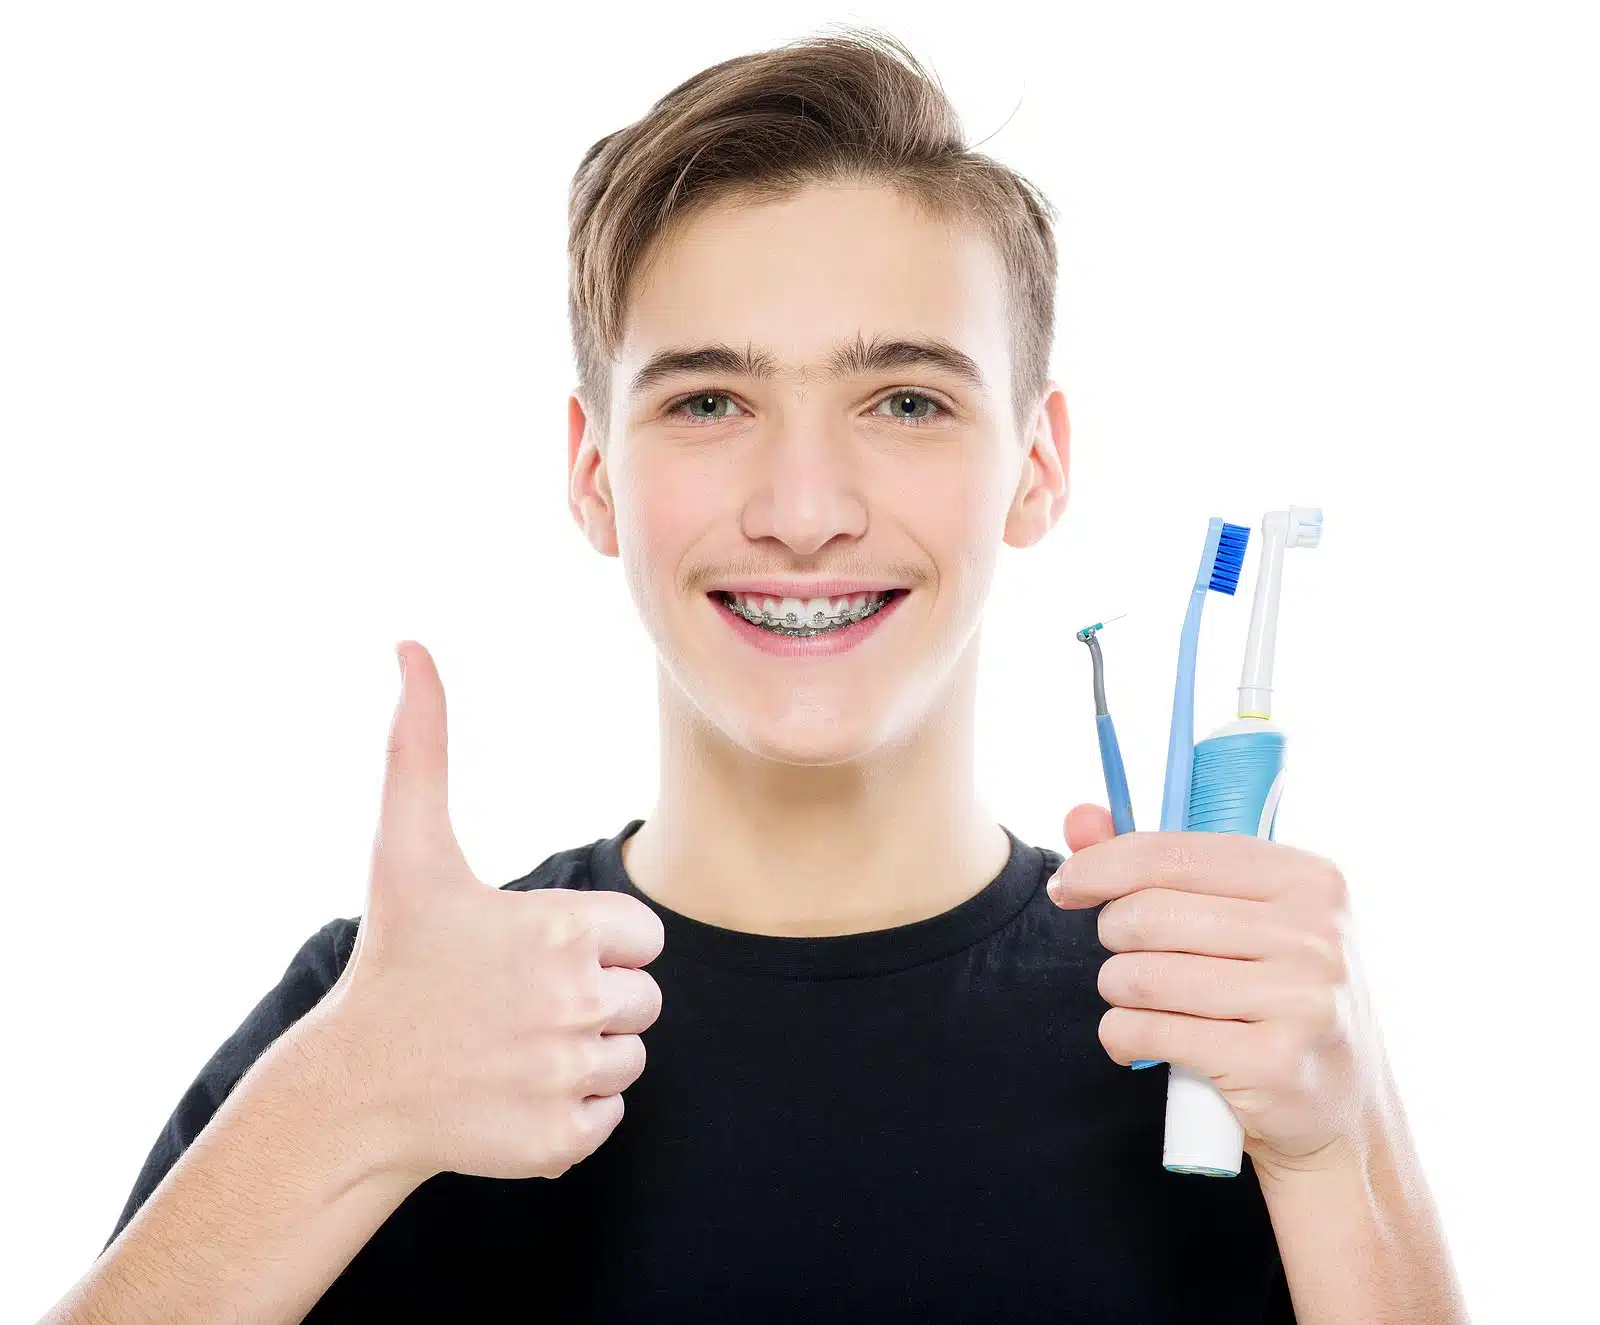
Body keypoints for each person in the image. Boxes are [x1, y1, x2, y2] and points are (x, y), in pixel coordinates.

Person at [44, 24, 1468, 1325]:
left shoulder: (1218, 1041)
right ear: (594, 475)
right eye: (711, 400)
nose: (803, 509)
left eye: (904, 399)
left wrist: (1345, 1150)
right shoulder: (384, 1023)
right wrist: (332, 1115)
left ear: (1036, 466)